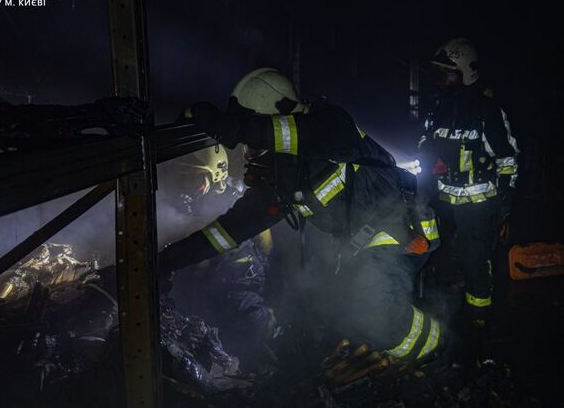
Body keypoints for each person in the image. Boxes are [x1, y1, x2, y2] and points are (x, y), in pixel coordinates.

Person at [159, 67, 444, 365]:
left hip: (406, 230)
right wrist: (169, 260)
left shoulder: (331, 127)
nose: (250, 152)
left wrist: (229, 126)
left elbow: (296, 134)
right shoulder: (284, 180)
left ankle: (435, 354)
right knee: (340, 309)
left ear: (279, 115)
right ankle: (394, 360)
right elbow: (228, 232)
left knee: (369, 305)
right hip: (365, 242)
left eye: (254, 142)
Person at [418, 38, 519, 330]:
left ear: (465, 72)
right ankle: (440, 306)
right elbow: (424, 142)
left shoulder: (485, 110)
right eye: (438, 72)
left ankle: (479, 320)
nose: (439, 79)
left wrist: (504, 206)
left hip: (478, 204)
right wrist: (427, 160)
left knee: (476, 260)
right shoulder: (438, 108)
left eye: (445, 72)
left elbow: (508, 159)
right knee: (434, 252)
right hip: (441, 199)